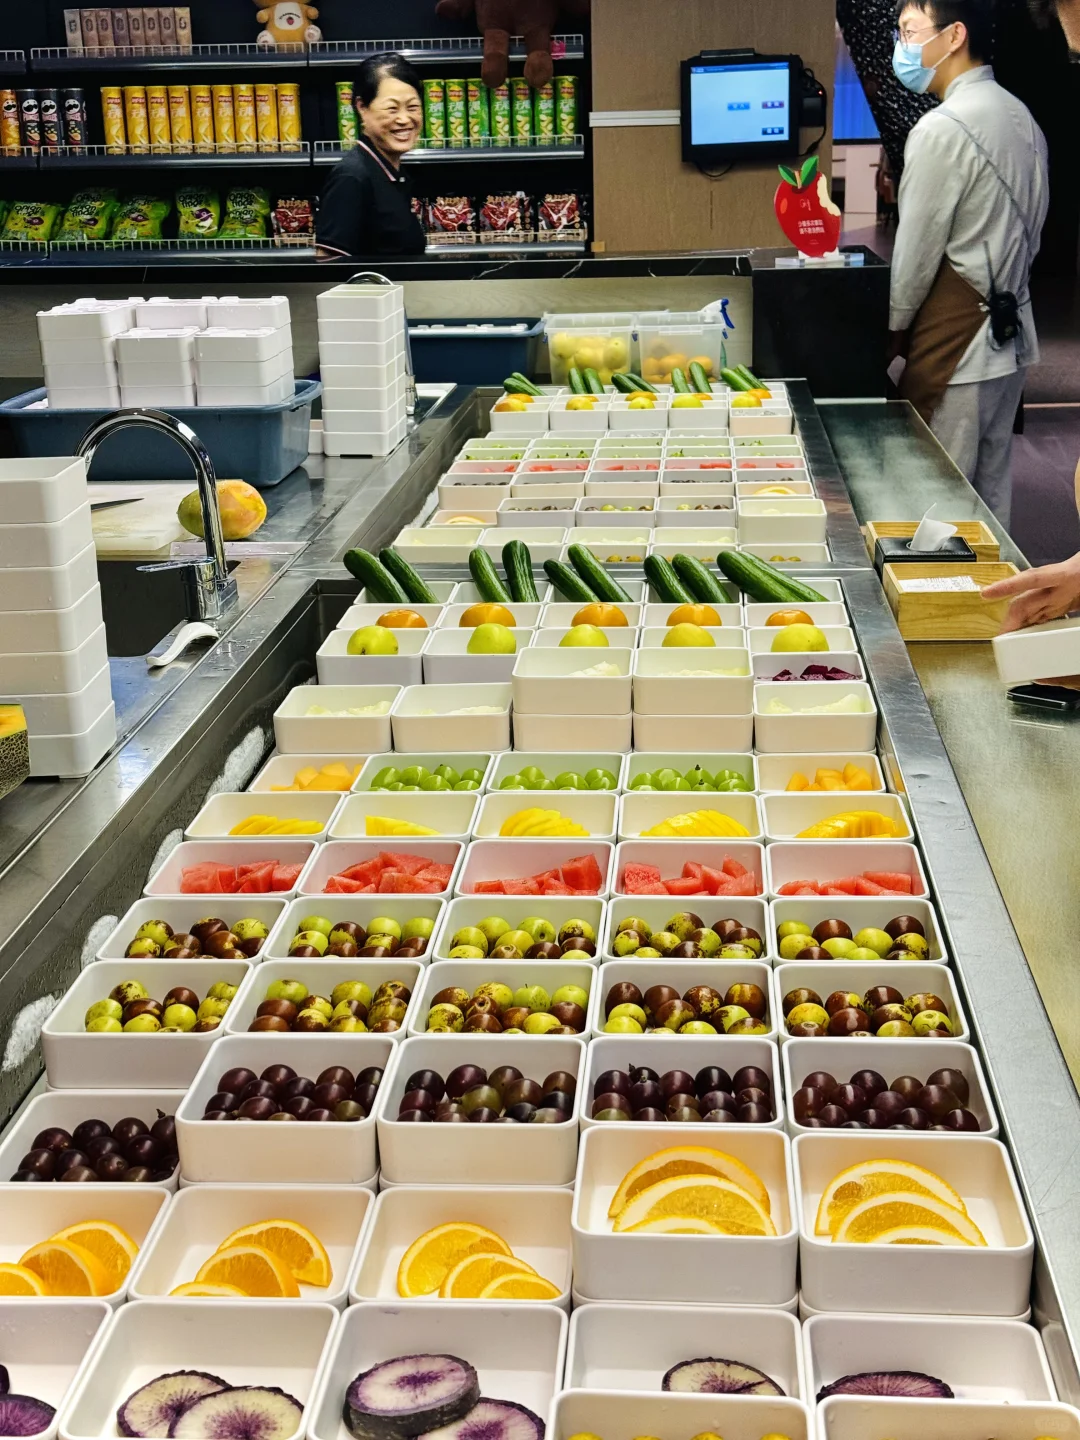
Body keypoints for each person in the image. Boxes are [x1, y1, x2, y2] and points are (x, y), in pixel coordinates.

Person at [888, 0, 1049, 528]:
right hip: (1012, 331)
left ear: (954, 35)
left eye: (910, 30)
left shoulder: (942, 129)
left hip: (957, 339)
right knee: (990, 493)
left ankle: (943, 582)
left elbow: (915, 255)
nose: (902, 46)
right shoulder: (1022, 116)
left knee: (934, 496)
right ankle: (994, 578)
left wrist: (893, 333)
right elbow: (1034, 234)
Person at [317, 53, 426, 259]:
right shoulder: (352, 177)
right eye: (392, 109)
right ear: (362, 108)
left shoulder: (390, 172)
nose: (404, 119)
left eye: (413, 107)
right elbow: (328, 261)